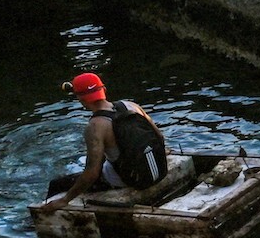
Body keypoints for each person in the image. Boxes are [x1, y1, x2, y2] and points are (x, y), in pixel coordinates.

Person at [42, 73, 167, 212]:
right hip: (158, 172)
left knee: (56, 184)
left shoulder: (95, 126)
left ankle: (39, 216)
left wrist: (65, 200)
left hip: (127, 180)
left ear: (81, 99)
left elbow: (92, 173)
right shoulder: (131, 106)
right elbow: (159, 137)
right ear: (104, 90)